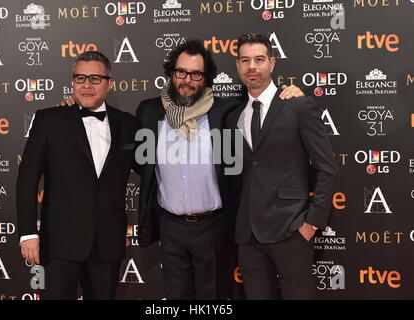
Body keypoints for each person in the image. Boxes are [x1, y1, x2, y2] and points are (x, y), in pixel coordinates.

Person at [135, 39, 304, 299]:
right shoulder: (148, 112)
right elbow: (137, 159)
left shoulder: (227, 111)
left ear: (206, 78)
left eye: (196, 74)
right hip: (170, 226)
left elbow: (264, 103)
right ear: (171, 73)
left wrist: (290, 94)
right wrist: (73, 107)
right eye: (181, 72)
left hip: (213, 227)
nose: (187, 80)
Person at [16, 51, 139, 299]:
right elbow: (27, 180)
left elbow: (149, 168)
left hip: (107, 245)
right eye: (80, 78)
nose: (86, 85)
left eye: (95, 78)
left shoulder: (128, 124)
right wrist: (28, 233)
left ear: (108, 83)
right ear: (72, 82)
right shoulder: (49, 119)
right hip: (59, 244)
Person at [226, 33, 337, 300]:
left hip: (290, 228)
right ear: (238, 66)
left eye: (259, 59)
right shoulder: (234, 115)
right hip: (247, 233)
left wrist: (311, 223)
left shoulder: (298, 106)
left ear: (272, 63)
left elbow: (326, 168)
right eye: (245, 60)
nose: (252, 66)